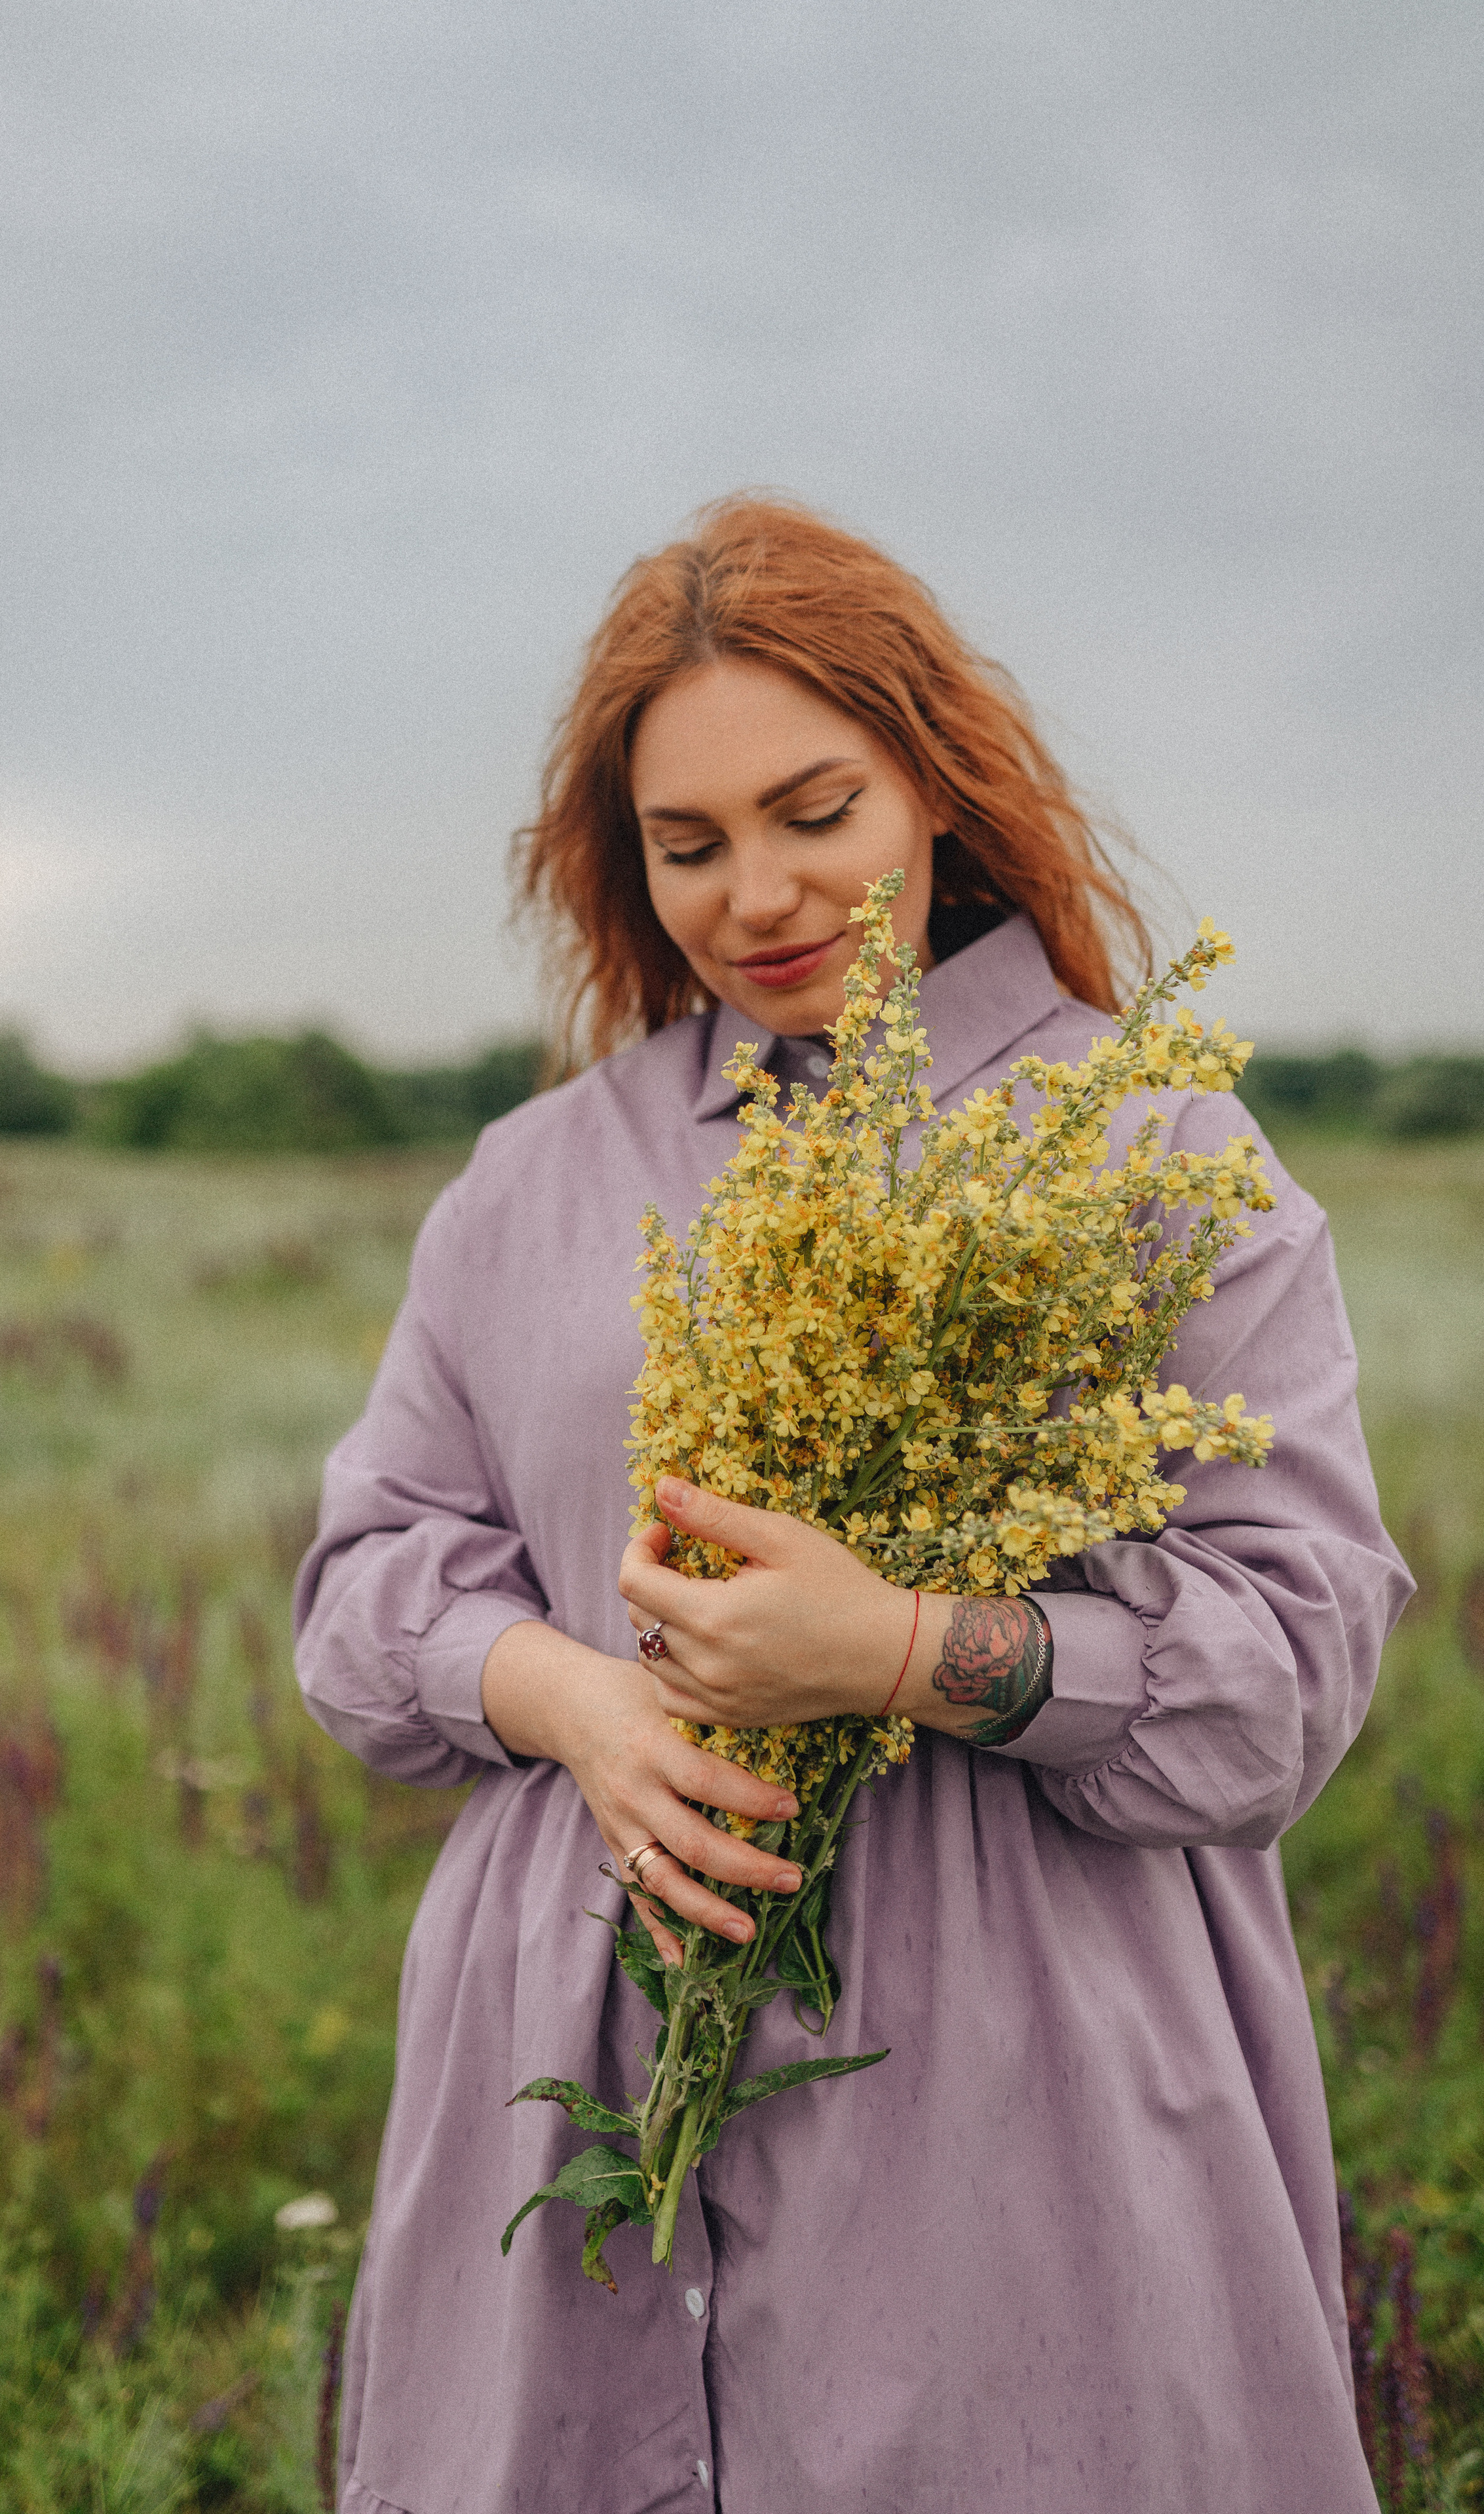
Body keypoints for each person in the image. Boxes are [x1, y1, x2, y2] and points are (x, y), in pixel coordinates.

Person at [295, 496, 1409, 2514]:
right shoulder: (537, 1178)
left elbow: (1292, 1666)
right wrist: (574, 1699)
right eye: (688, 843)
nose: (760, 895)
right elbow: (367, 1582)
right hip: (573, 2102)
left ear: (939, 789)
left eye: (817, 809)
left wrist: (906, 1653)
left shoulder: (1157, 1152)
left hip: (1014, 2114)